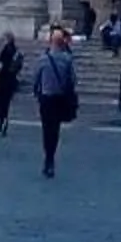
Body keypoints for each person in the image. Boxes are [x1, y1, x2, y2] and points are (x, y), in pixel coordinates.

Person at [34, 22, 82, 178]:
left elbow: (36, 79)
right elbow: (73, 80)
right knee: (55, 130)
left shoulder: (43, 59)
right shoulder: (67, 60)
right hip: (60, 98)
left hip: (46, 98)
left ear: (50, 42)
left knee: (46, 129)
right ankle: (51, 158)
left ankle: (47, 157)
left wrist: (36, 92)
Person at [0, 33, 24, 135]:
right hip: (12, 79)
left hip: (3, 79)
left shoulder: (5, 50)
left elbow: (1, 65)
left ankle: (2, 119)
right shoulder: (16, 51)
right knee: (6, 103)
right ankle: (3, 120)